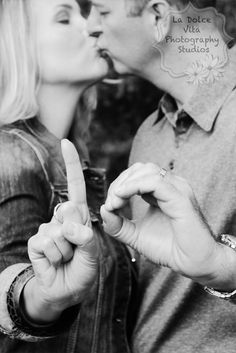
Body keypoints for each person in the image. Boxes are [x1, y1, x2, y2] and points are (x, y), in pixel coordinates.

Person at [87, 0, 236, 352]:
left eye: (102, 11)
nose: (90, 26)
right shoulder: (148, 134)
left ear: (158, 16)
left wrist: (222, 267)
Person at [0, 1, 135, 352]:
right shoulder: (10, 157)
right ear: (18, 45)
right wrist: (41, 299)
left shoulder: (67, 162)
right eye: (64, 18)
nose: (90, 25)